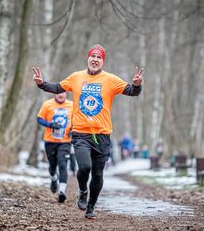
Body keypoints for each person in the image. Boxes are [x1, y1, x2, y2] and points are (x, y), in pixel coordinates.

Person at [33, 44, 143, 219]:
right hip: (80, 133)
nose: (95, 60)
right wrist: (42, 84)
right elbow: (58, 88)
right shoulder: (77, 77)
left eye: (99, 58)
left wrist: (137, 85)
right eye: (93, 56)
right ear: (88, 58)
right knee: (84, 167)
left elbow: (131, 91)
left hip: (102, 134)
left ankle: (91, 206)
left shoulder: (110, 79)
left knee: (98, 174)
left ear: (102, 62)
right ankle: (83, 190)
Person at [37, 92, 73, 203]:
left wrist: (73, 130)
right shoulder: (47, 104)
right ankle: (53, 179)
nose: (60, 95)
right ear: (54, 95)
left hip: (65, 141)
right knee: (52, 165)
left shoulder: (72, 105)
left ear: (66, 94)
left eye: (62, 93)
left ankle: (62, 191)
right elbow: (39, 119)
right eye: (58, 93)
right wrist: (50, 124)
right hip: (50, 141)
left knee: (63, 164)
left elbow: (77, 119)